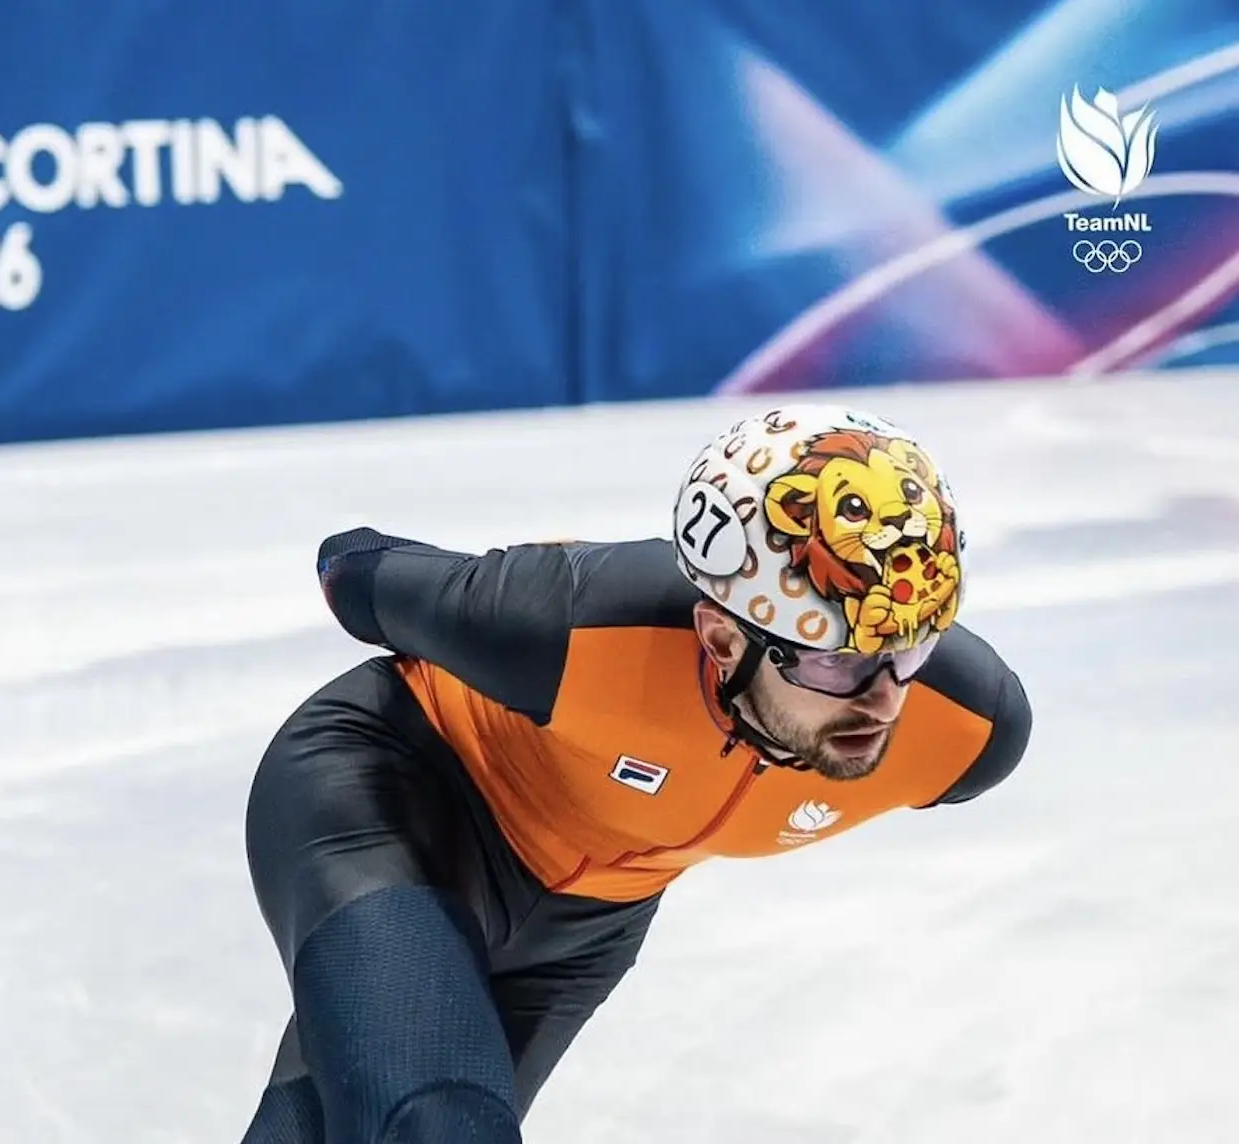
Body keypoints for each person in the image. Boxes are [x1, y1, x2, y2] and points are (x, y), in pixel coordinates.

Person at [238, 404, 1033, 1143]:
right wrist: (498, 594)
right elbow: (355, 569)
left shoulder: (969, 731)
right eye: (838, 662)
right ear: (723, 640)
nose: (885, 698)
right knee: (434, 1123)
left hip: (586, 926)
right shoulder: (564, 623)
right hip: (400, 793)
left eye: (911, 646)